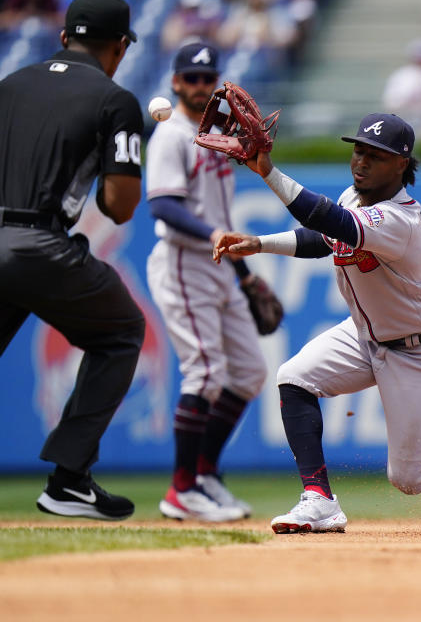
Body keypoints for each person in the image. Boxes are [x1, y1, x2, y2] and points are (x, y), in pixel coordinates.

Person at [213, 113, 421, 534]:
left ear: (401, 165)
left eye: (376, 155)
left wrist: (266, 170)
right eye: (359, 149)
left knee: (410, 480)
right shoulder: (355, 197)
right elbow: (323, 239)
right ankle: (319, 500)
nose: (361, 161)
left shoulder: (401, 220)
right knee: (295, 377)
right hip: (366, 334)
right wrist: (260, 244)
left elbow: (331, 221)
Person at [0, 0, 144, 520]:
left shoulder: (8, 84)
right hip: (39, 244)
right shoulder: (115, 100)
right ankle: (68, 480)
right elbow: (121, 206)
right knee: (122, 330)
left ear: (63, 38)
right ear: (121, 47)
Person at [145, 42, 269, 522]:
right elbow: (163, 205)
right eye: (190, 78)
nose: (199, 85)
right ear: (175, 83)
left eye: (207, 78)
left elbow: (219, 217)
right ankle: (181, 490)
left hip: (218, 266)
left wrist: (246, 277)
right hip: (183, 262)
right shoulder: (171, 136)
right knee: (206, 372)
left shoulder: (217, 139)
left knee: (249, 372)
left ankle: (204, 474)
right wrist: (215, 235)